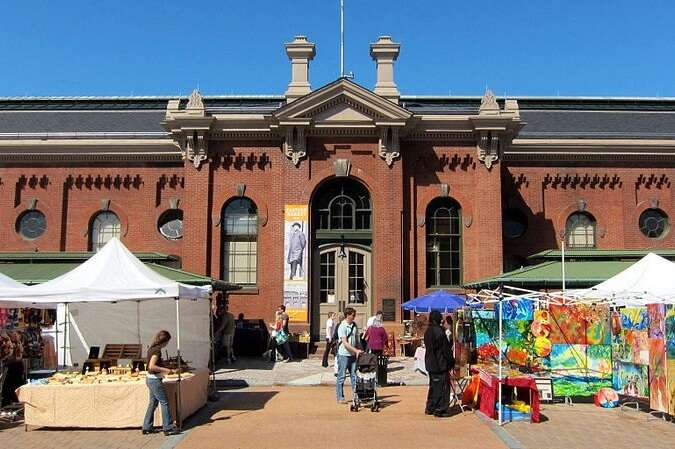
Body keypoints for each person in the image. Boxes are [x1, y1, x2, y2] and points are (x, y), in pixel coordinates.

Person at [142, 330, 180, 436]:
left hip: (150, 378)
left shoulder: (152, 348)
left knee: (153, 403)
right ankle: (168, 427)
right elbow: (151, 366)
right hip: (154, 379)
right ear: (165, 341)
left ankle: (147, 426)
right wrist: (166, 370)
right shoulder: (157, 351)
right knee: (164, 402)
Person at [424, 311, 453, 418]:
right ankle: (440, 409)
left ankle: (430, 407)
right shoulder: (439, 332)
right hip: (439, 364)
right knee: (442, 387)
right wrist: (451, 361)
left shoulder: (428, 331)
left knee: (433, 386)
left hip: (430, 363)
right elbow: (445, 349)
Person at [335, 307, 362, 404]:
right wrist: (356, 350)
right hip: (344, 355)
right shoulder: (342, 326)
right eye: (353, 315)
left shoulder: (354, 325)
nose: (354, 317)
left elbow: (357, 340)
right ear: (348, 315)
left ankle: (356, 396)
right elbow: (345, 343)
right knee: (341, 376)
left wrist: (360, 350)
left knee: (354, 376)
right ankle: (340, 397)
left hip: (353, 355)